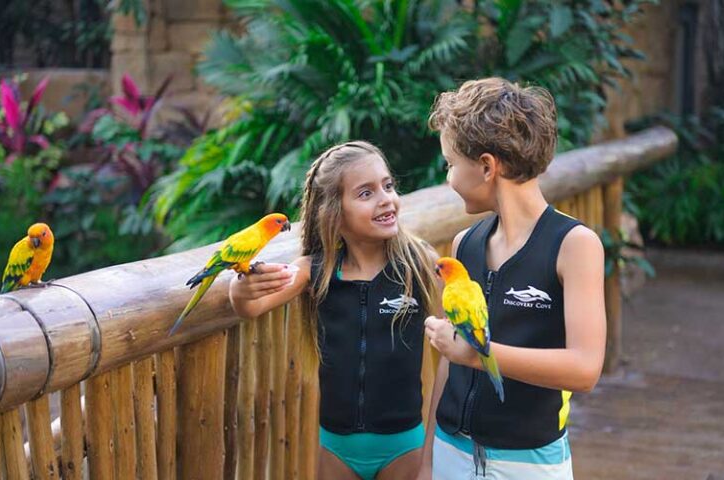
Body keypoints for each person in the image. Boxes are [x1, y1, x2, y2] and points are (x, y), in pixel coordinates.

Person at [419, 78, 606, 479]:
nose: (448, 178)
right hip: (451, 451)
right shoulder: (463, 245)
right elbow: (449, 363)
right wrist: (427, 460)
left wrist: (479, 354)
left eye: (451, 164)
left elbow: (585, 369)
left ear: (487, 166)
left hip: (529, 461)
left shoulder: (575, 245)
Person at [230, 141, 441, 480]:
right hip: (336, 450)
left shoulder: (421, 265)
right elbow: (251, 306)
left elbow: (452, 354)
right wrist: (239, 289)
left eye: (388, 186)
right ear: (334, 213)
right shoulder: (316, 270)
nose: (386, 198)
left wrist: (430, 457)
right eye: (365, 193)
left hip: (405, 447)